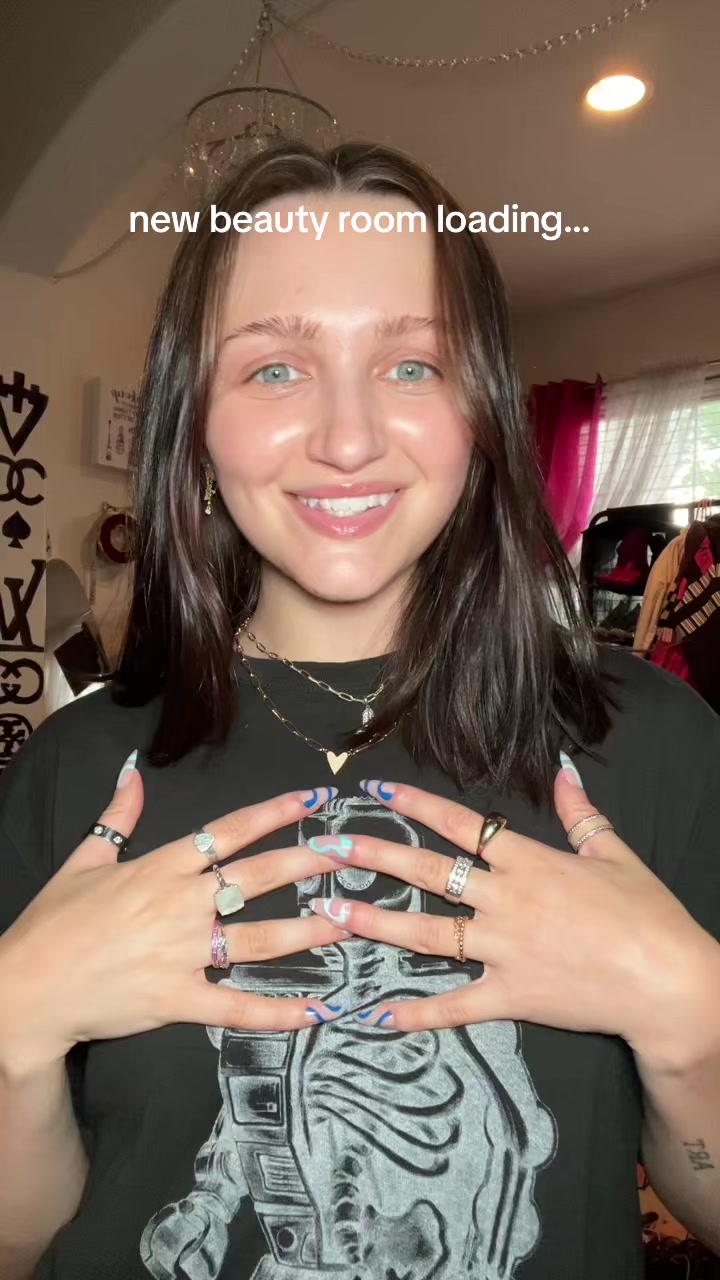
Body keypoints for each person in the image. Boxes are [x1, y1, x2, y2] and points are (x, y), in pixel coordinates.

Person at [1, 140, 719, 1280]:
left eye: (412, 364)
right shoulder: (71, 769)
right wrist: (13, 1027)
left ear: (481, 410)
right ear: (196, 420)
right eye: (275, 369)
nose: (347, 439)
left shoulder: (656, 744)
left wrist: (691, 1023)